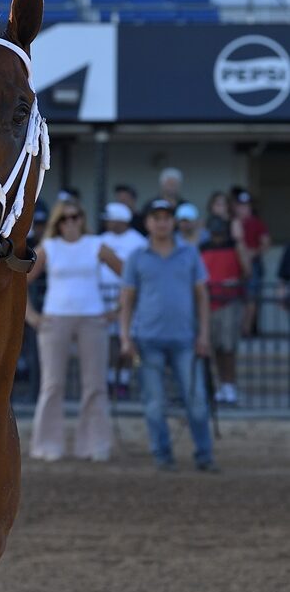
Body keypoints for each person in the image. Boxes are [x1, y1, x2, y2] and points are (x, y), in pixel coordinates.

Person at [119, 199, 217, 473]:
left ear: (173, 221)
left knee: (196, 401)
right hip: (148, 340)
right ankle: (162, 454)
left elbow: (202, 296)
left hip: (186, 340)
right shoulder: (137, 256)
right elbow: (127, 300)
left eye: (166, 217)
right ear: (148, 222)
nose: (161, 223)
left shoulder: (190, 254)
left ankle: (204, 454)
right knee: (154, 403)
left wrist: (204, 335)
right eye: (156, 217)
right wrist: (126, 338)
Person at [25, 200, 124, 462]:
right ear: (57, 223)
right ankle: (47, 445)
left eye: (75, 217)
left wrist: (117, 310)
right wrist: (32, 317)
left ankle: (96, 444)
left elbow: (129, 275)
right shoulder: (49, 247)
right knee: (52, 384)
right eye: (64, 219)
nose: (70, 222)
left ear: (82, 219)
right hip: (55, 319)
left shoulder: (95, 245)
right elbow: (19, 282)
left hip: (92, 318)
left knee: (95, 385)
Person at [98, 201, 147, 398]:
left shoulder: (138, 241)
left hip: (130, 300)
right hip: (103, 298)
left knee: (126, 339)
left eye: (110, 219)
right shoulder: (101, 239)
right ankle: (110, 379)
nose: (108, 223)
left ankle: (124, 380)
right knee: (109, 341)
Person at [199, 216, 246, 406]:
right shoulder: (202, 247)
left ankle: (229, 387)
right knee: (212, 347)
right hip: (208, 303)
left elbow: (247, 271)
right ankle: (218, 387)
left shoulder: (235, 246)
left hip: (228, 301)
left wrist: (236, 281)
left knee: (227, 348)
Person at [231, 189, 270, 338]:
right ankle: (234, 329)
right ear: (235, 207)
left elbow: (266, 243)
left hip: (253, 264)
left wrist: (253, 252)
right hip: (233, 265)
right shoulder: (232, 222)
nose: (243, 208)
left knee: (251, 297)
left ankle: (246, 330)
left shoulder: (257, 223)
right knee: (233, 297)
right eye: (240, 205)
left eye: (246, 205)